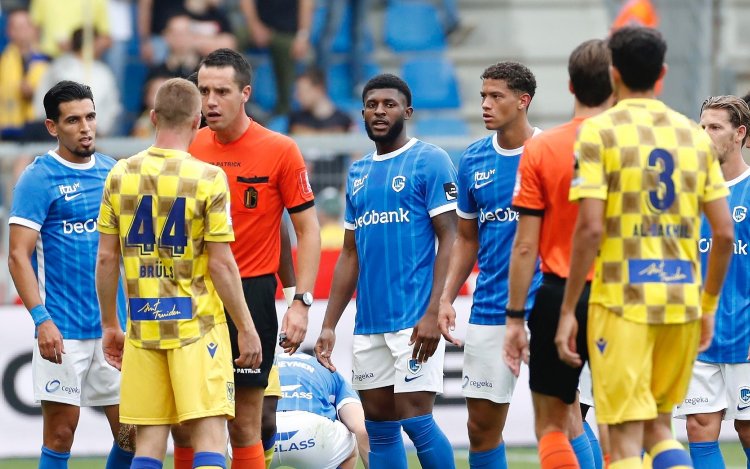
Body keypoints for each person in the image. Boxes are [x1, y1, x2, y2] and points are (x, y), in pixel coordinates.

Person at [555, 26, 734, 469]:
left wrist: (568, 308)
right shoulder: (693, 136)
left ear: (613, 74)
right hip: (681, 302)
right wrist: (708, 304)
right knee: (659, 427)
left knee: (623, 437)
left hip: (622, 303)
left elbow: (590, 230)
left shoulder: (598, 133)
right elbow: (725, 234)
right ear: (663, 74)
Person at [95, 77, 263, 469]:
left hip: (142, 326)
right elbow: (221, 263)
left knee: (149, 441)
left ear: (153, 117)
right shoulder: (208, 178)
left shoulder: (119, 174)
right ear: (197, 121)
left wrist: (109, 325)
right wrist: (246, 326)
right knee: (208, 435)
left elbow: (106, 260)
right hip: (197, 325)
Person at [172, 48, 321, 469]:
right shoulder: (189, 145)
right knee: (186, 423)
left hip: (252, 293)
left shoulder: (280, 149)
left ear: (246, 93)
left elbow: (306, 230)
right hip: (193, 291)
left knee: (244, 424)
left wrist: (300, 300)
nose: (210, 101)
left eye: (221, 91)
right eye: (203, 91)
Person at [315, 73, 458, 469]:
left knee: (417, 420)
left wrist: (435, 310)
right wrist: (328, 324)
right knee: (378, 427)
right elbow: (349, 254)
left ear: (407, 111)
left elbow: (452, 238)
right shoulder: (358, 173)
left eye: (389, 104)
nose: (380, 111)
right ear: (362, 112)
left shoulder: (430, 160)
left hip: (414, 319)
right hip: (369, 323)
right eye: (372, 104)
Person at [7, 80, 134, 469]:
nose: (86, 127)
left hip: (113, 327)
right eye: (74, 120)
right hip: (62, 331)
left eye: (91, 117)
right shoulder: (38, 177)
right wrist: (42, 320)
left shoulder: (114, 173)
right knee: (62, 433)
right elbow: (17, 256)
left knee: (132, 434)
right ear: (52, 127)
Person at [502, 40, 613, 469]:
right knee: (627, 421)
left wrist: (515, 317)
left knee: (552, 421)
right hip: (624, 291)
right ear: (616, 83)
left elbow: (525, 244)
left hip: (558, 291)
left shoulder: (542, 149)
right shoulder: (634, 142)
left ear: (569, 85)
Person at [436, 61, 541, 469]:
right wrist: (446, 296)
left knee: (568, 419)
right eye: (483, 95)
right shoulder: (473, 159)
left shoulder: (550, 153)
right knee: (480, 427)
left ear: (522, 100)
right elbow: (466, 238)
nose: (485, 104)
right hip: (490, 309)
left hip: (546, 305)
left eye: (496, 96)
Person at [673, 95, 750, 468]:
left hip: (745, 334)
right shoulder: (683, 194)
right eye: (700, 126)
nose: (704, 135)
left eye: (715, 127)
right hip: (696, 334)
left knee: (749, 430)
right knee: (699, 427)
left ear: (740, 134)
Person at [270, 351, 369, 469]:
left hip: (265, 431)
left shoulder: (267, 365)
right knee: (350, 447)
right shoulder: (326, 368)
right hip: (312, 434)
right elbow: (361, 428)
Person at [33, 28, 122, 136]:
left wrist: (101, 131)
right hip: (59, 137)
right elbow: (42, 101)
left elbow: (112, 107)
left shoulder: (103, 72)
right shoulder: (60, 69)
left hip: (95, 137)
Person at [239, 0, 314, 115]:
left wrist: (303, 36)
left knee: (302, 54)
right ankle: (232, 99)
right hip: (259, 25)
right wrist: (254, 25)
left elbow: (307, 4)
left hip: (287, 32)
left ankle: (285, 111)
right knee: (231, 42)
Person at [288, 67, 354, 193]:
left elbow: (356, 159)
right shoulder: (295, 120)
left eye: (302, 91)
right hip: (302, 193)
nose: (297, 96)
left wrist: (345, 192)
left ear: (318, 89)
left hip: (334, 194)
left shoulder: (344, 120)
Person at [0, 8, 48, 141]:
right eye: (17, 26)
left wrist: (36, 94)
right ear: (9, 31)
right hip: (7, 132)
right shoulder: (2, 60)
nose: (23, 31)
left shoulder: (48, 60)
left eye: (26, 25)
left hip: (39, 132)